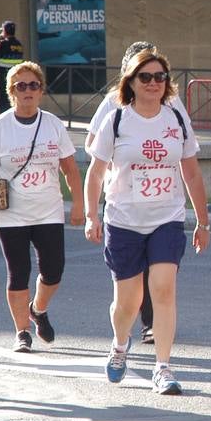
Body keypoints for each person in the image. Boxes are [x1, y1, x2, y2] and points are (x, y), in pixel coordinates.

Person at [84, 48, 209, 396]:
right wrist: (92, 214)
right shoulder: (117, 120)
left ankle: (163, 367)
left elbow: (193, 174)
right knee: (128, 302)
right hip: (123, 219)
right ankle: (120, 344)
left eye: (160, 77)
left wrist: (202, 221)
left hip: (166, 217)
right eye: (146, 77)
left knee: (164, 289)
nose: (154, 83)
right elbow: (95, 174)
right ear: (131, 82)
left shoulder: (176, 119)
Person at [0, 61, 84, 351]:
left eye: (33, 85)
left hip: (48, 209)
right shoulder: (0, 127)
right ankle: (22, 331)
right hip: (9, 213)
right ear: (12, 92)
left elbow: (70, 169)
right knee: (18, 271)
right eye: (21, 86)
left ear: (41, 91)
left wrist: (79, 204)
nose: (28, 91)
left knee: (54, 271)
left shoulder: (52, 124)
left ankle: (37, 308)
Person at [86, 41, 164, 345]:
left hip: (157, 199)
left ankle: (151, 322)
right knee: (130, 269)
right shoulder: (111, 103)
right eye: (140, 72)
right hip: (120, 194)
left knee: (156, 265)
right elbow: (92, 144)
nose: (150, 81)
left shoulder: (164, 99)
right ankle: (125, 318)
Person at [0, 21, 25, 114]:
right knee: (12, 100)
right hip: (15, 78)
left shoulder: (3, 44)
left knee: (2, 102)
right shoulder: (19, 45)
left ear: (4, 31)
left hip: (2, 78)